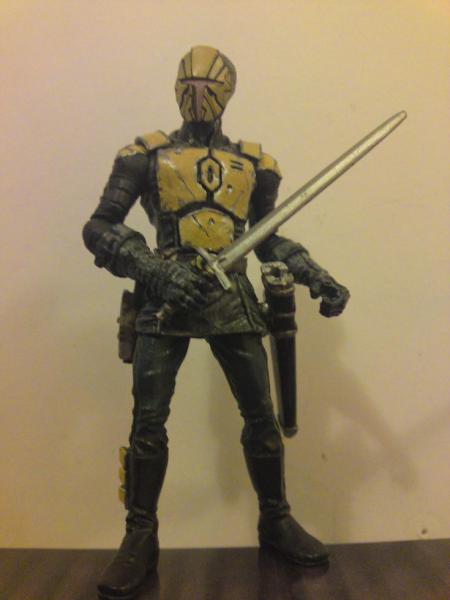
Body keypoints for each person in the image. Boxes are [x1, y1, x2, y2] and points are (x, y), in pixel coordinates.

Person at [83, 45, 349, 600]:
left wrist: (315, 275)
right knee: (148, 423)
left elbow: (268, 236)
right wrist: (156, 271)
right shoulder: (145, 156)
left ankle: (276, 519)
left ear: (228, 93)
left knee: (261, 416)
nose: (198, 96)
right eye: (190, 86)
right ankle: (140, 536)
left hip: (231, 300)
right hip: (165, 297)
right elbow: (100, 227)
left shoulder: (254, 164)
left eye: (210, 87)